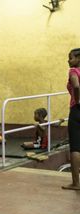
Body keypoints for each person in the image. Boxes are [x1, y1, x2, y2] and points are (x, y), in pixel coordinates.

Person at [62, 48, 80, 190]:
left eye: (71, 58)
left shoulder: (73, 71)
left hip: (77, 111)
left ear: (78, 59)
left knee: (75, 147)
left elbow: (76, 85)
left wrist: (77, 99)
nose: (68, 60)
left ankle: (76, 183)